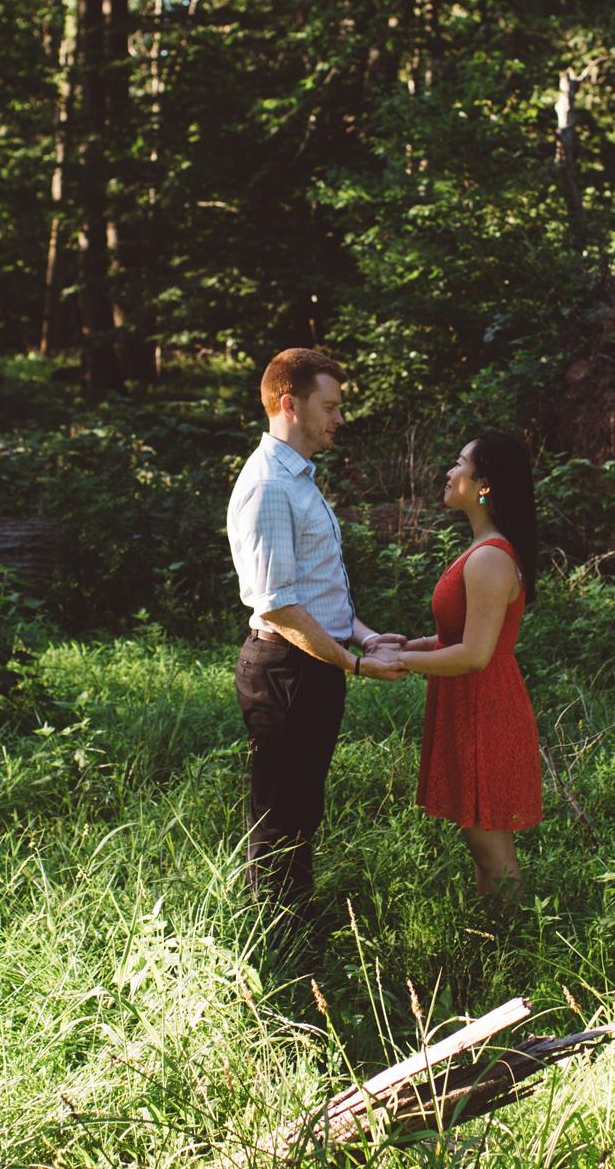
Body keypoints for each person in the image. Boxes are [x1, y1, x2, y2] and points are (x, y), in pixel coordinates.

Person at [226, 348, 405, 934]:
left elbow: (316, 591)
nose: (339, 418)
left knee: (303, 810)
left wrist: (366, 635)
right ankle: (274, 947)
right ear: (289, 404)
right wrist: (354, 664)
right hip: (286, 669)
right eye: (329, 406)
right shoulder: (271, 485)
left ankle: (295, 933)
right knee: (281, 817)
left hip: (310, 663)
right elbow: (277, 606)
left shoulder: (297, 478)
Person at [367, 433, 542, 903]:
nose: (448, 471)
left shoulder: (489, 558)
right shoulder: (483, 550)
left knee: (491, 850)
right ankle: (496, 941)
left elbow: (475, 654)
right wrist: (408, 643)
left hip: (485, 706)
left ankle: (517, 950)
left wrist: (402, 660)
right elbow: (458, 638)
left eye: (459, 463)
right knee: (485, 845)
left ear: (484, 484)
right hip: (472, 701)